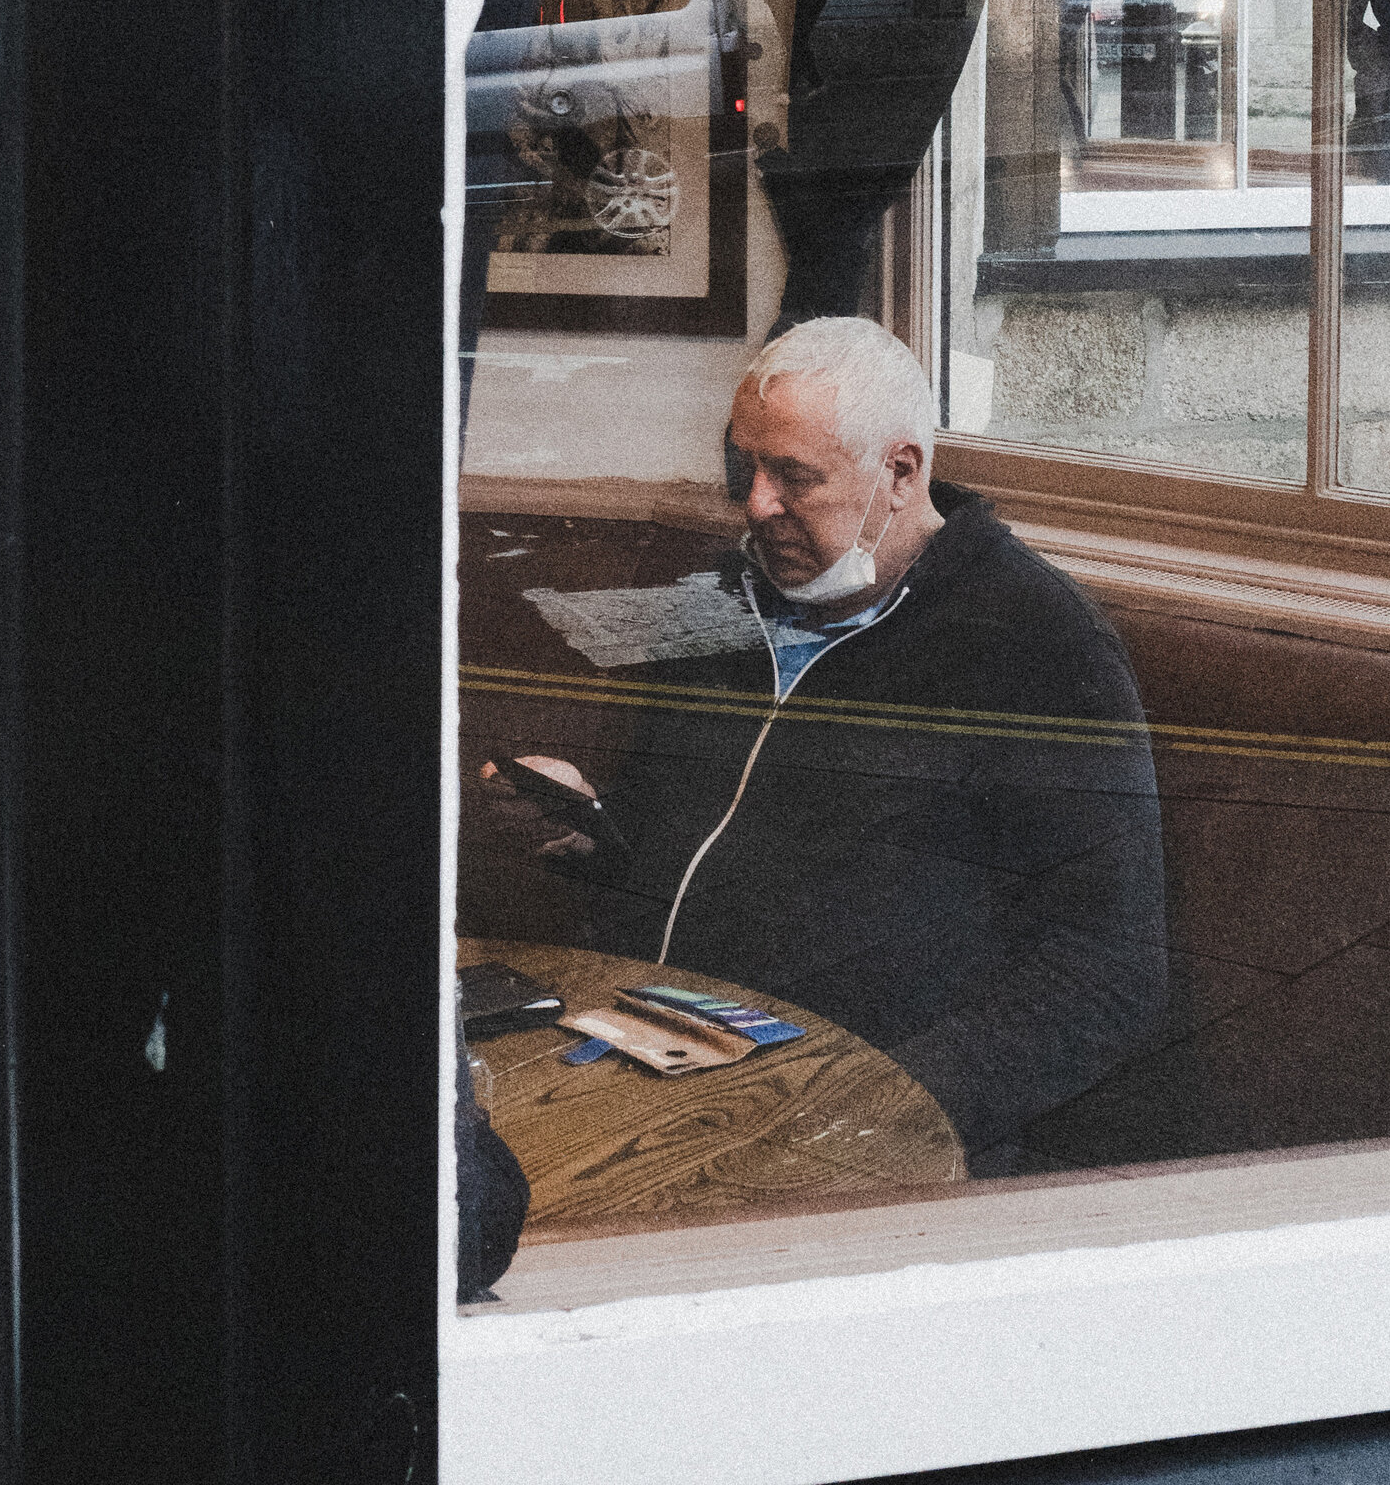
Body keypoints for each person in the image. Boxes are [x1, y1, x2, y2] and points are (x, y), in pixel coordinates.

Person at [484, 315, 1165, 1171]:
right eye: (747, 467)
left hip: (852, 1122)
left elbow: (1106, 972)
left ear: (900, 472)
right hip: (636, 1054)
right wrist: (588, 829)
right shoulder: (727, 597)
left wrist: (868, 1100)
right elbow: (680, 847)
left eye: (793, 477)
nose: (755, 504)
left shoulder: (1034, 644)